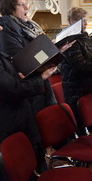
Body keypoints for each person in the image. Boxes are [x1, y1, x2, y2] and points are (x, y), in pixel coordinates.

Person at [0, 25, 57, 177]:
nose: (0, 28)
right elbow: (12, 89)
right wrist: (41, 78)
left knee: (34, 162)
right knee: (20, 170)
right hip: (8, 121)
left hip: (19, 115)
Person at [0, 0, 69, 114]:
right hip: (29, 94)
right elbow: (24, 65)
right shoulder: (6, 32)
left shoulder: (28, 27)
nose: (27, 7)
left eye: (26, 3)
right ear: (9, 7)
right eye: (22, 5)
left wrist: (55, 50)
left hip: (40, 88)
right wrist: (50, 51)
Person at [60, 7, 92, 133]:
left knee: (91, 120)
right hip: (75, 86)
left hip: (88, 85)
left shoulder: (85, 38)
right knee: (80, 122)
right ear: (72, 21)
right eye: (83, 21)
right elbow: (81, 65)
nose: (86, 23)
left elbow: (90, 58)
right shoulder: (69, 40)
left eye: (86, 21)